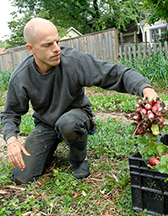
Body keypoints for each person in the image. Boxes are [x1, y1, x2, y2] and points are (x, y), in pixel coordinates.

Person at [0, 18, 159, 185]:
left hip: (76, 117)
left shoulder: (73, 61)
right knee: (22, 177)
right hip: (46, 124)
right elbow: (10, 113)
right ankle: (50, 145)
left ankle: (79, 159)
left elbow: (116, 73)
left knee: (67, 124)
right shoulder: (21, 77)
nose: (56, 49)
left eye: (57, 42)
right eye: (47, 45)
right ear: (30, 48)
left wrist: (145, 88)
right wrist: (11, 140)